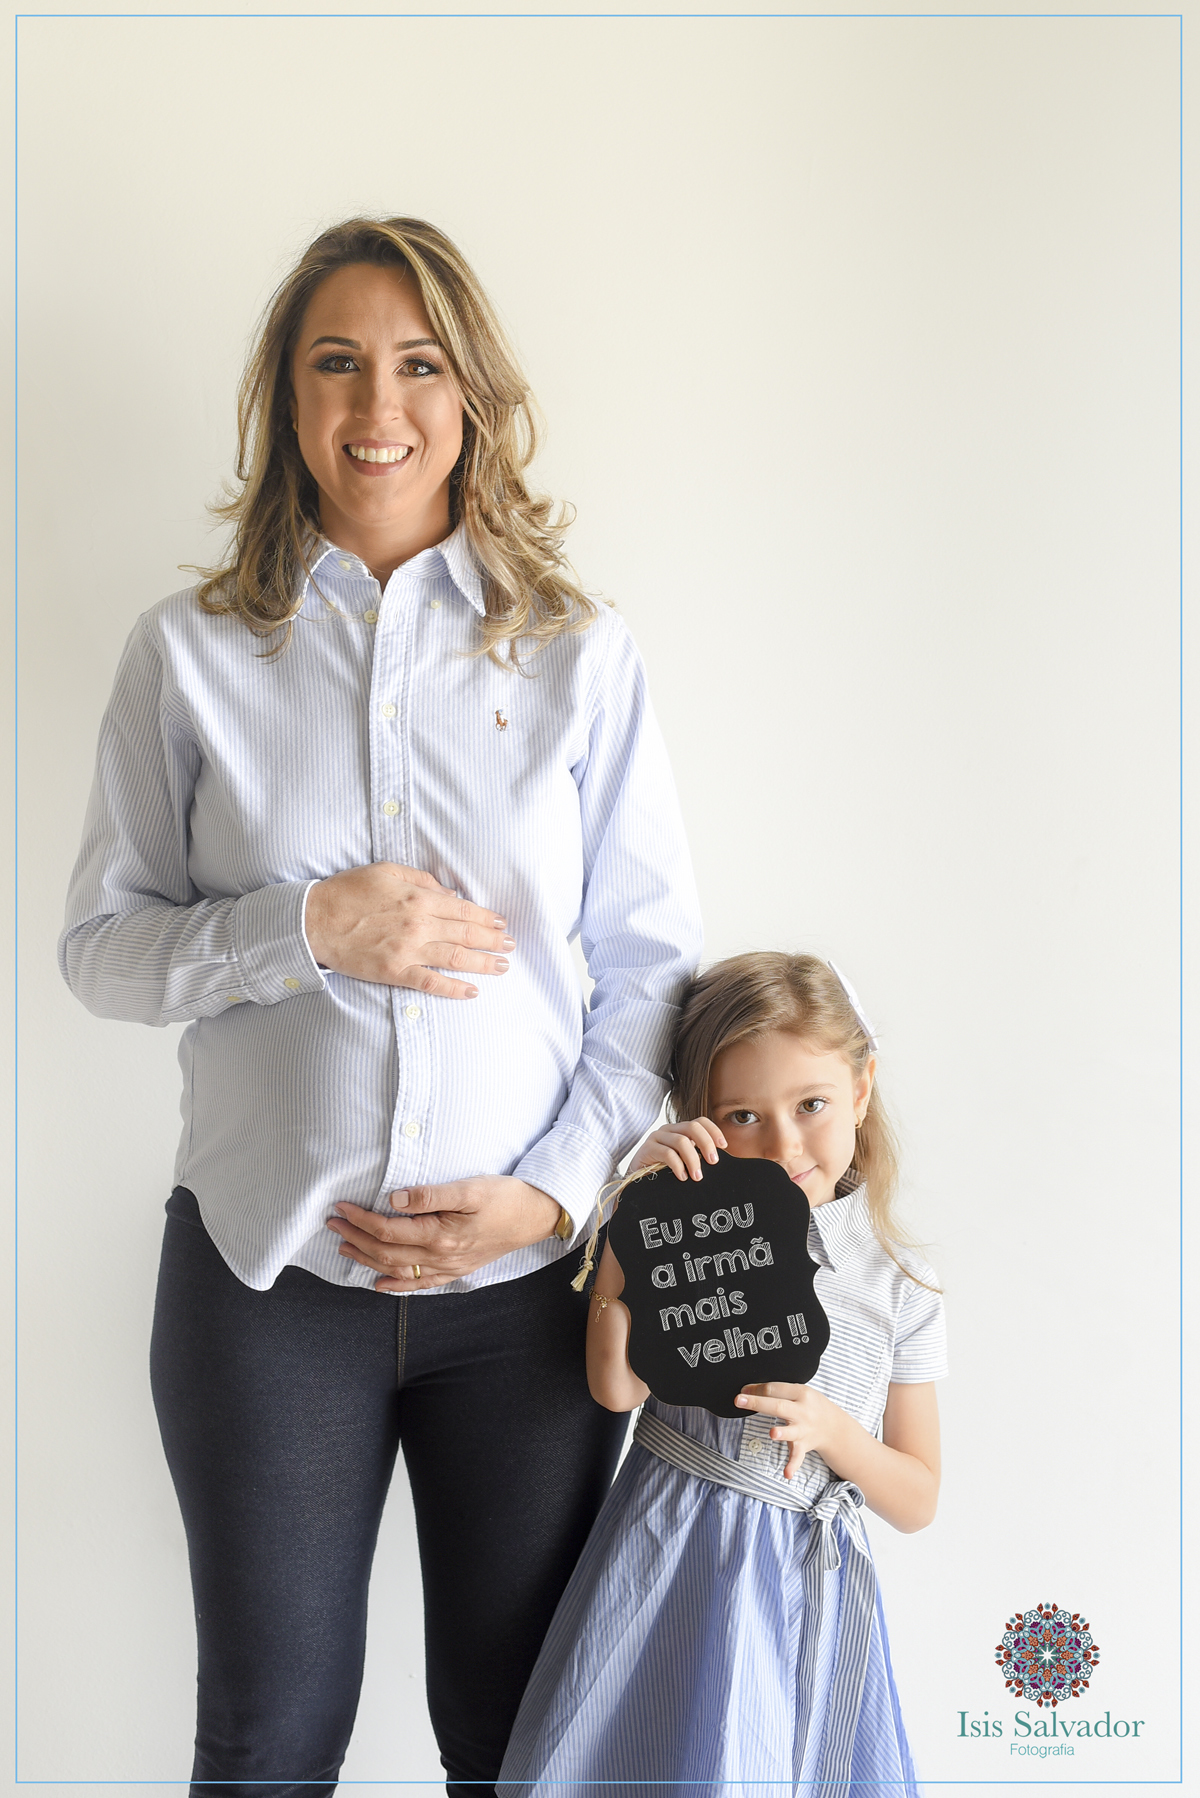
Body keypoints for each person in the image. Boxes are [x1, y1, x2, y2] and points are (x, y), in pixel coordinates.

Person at [58, 216, 702, 1798]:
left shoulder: (580, 655)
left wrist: (552, 1192)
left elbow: (652, 971)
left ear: (471, 393)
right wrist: (304, 929)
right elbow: (101, 951)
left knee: (523, 1747)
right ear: (286, 398)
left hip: (532, 1299)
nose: (377, 406)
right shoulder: (187, 653)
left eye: (419, 365)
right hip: (266, 1285)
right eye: (335, 362)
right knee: (267, 1746)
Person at [498, 952, 946, 1796]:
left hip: (803, 1574)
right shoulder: (694, 1238)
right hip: (670, 1549)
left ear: (860, 1089)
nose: (782, 1143)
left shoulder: (900, 1285)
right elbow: (617, 1388)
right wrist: (632, 1222)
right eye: (743, 1116)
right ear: (700, 1120)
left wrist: (834, 1433)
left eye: (811, 1105)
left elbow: (917, 1499)